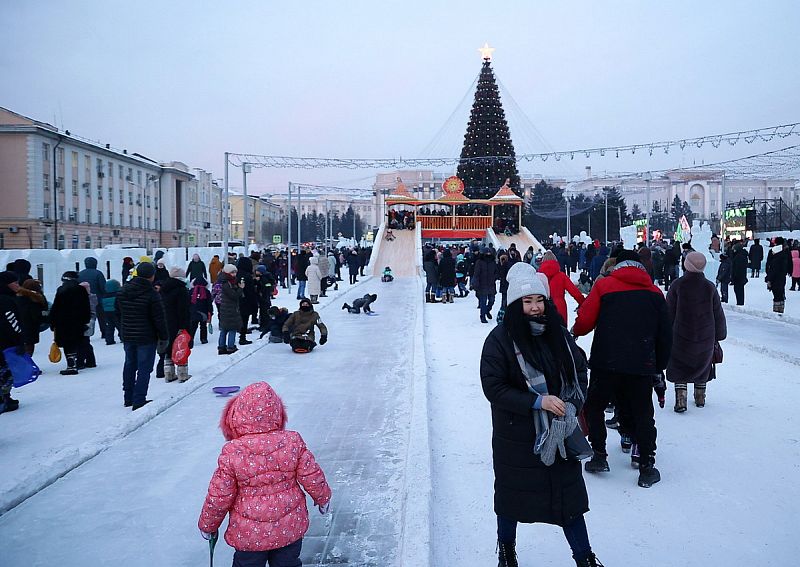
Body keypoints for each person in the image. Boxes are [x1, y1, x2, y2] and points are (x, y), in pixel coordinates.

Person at [480, 262, 602, 567]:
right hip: (518, 438)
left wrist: (574, 402)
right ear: (514, 304)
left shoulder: (558, 335)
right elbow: (494, 387)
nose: (534, 308)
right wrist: (537, 402)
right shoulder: (499, 341)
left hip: (560, 434)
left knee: (569, 501)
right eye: (527, 301)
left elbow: (580, 371)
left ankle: (585, 558)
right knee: (511, 500)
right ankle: (507, 552)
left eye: (539, 300)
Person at [198, 381, 331, 566]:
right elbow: (312, 475)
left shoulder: (233, 451)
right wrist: (323, 498)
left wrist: (209, 525)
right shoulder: (292, 442)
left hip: (249, 535)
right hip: (288, 527)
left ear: (237, 415)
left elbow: (219, 495)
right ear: (277, 413)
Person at [573, 249, 672, 488]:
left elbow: (585, 321)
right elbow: (665, 334)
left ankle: (599, 455)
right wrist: (659, 365)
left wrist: (575, 332)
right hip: (641, 363)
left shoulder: (605, 286)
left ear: (617, 265)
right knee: (642, 411)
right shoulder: (655, 293)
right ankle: (647, 465)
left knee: (595, 407)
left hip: (606, 360)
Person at [666, 252, 727, 412]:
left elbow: (669, 311)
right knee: (703, 364)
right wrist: (720, 333)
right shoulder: (709, 287)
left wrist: (665, 331)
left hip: (680, 334)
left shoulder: (677, 285)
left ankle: (681, 399)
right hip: (705, 334)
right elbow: (717, 313)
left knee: (680, 365)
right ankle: (700, 397)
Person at [115, 262, 169, 410]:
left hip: (128, 335)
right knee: (144, 368)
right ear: (152, 276)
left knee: (129, 365)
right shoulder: (152, 294)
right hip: (146, 336)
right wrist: (164, 337)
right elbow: (159, 318)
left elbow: (117, 313)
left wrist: (122, 329)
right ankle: (139, 399)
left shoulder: (122, 291)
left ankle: (128, 397)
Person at [49, 271, 91, 375]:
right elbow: (86, 306)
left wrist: (52, 321)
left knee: (68, 344)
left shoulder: (61, 290)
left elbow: (56, 307)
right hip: (78, 321)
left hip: (63, 321)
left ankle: (71, 365)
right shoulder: (81, 289)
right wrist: (86, 320)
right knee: (78, 341)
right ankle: (78, 362)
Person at [158, 267, 192, 383]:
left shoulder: (163, 289)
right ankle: (182, 373)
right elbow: (183, 310)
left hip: (166, 322)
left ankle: (169, 373)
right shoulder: (181, 290)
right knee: (181, 347)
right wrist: (184, 326)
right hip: (178, 323)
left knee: (169, 347)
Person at [537, 256, 585, 327]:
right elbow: (574, 291)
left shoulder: (538, 277)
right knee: (562, 331)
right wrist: (583, 303)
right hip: (560, 306)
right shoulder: (562, 276)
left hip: (543, 307)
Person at [0, 271, 23, 414]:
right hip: (5, 343)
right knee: (5, 371)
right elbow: (12, 321)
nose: (17, 285)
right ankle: (5, 399)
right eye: (15, 283)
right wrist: (20, 340)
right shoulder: (6, 300)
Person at [216, 264, 244, 355]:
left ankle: (222, 347)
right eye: (232, 272)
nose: (235, 274)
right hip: (230, 309)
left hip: (225, 309)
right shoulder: (227, 283)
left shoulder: (226, 281)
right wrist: (240, 289)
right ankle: (230, 347)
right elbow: (234, 296)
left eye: (235, 272)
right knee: (232, 329)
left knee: (224, 329)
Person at [15, 279, 47, 356]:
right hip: (30, 328)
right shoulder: (34, 300)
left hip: (17, 327)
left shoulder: (17, 298)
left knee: (20, 348)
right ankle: (27, 365)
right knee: (29, 348)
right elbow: (37, 316)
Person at [79, 256, 107, 340]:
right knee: (101, 317)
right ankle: (104, 332)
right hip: (97, 299)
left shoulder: (80, 273)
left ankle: (86, 333)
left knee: (86, 317)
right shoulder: (98, 273)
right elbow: (103, 287)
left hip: (84, 299)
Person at [765, 237, 792, 313]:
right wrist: (789, 271)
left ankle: (777, 310)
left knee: (776, 293)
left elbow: (769, 264)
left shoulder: (772, 251)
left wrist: (768, 276)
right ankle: (781, 309)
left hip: (774, 275)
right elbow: (790, 262)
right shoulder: (786, 251)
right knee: (780, 290)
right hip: (782, 275)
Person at [472, 247, 498, 324]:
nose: (488, 254)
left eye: (489, 253)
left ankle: (487, 310)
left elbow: (496, 272)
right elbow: (476, 274)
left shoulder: (493, 262)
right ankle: (482, 316)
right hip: (482, 285)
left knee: (492, 301)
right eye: (487, 253)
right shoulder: (479, 262)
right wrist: (475, 283)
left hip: (491, 284)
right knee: (483, 302)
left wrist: (495, 277)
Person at [77, 282, 98, 370]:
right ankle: (90, 361)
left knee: (83, 342)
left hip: (86, 321)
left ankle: (81, 362)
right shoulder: (92, 297)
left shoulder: (86, 298)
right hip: (89, 321)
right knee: (85, 342)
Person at [189, 276, 212, 347]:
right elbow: (209, 303)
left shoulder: (191, 291)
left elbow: (188, 302)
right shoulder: (207, 292)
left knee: (193, 326)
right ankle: (203, 339)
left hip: (193, 311)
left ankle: (190, 339)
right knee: (203, 326)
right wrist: (210, 312)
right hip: (203, 312)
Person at [102, 279, 122, 344]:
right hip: (115, 312)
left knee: (110, 326)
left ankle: (109, 340)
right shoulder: (118, 295)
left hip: (107, 312)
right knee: (120, 325)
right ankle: (123, 337)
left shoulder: (104, 296)